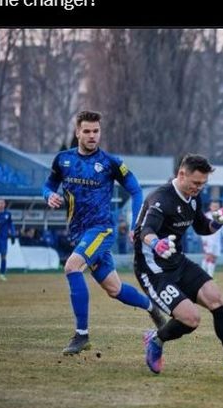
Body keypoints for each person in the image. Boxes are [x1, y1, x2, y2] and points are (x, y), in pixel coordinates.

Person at [43, 110, 165, 355]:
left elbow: (137, 191)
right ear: (77, 132)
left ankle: (81, 335)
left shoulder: (111, 163)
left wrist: (134, 226)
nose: (92, 136)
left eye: (96, 131)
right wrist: (49, 196)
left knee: (71, 267)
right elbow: (48, 185)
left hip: (101, 230)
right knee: (115, 290)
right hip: (78, 233)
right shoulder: (62, 160)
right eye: (86, 131)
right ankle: (152, 308)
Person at [134, 154, 223, 379]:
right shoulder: (160, 199)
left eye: (203, 184)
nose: (198, 188)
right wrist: (156, 243)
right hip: (153, 270)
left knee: (218, 300)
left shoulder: (194, 197)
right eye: (195, 183)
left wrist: (218, 223)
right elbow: (144, 231)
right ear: (181, 174)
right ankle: (156, 339)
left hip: (178, 262)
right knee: (191, 319)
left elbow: (203, 227)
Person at [200, 201, 223, 277]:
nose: (215, 208)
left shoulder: (221, 217)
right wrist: (204, 240)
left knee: (214, 258)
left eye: (217, 206)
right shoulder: (206, 216)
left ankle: (209, 275)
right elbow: (202, 228)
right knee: (208, 256)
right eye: (214, 206)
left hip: (217, 241)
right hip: (208, 239)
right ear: (210, 207)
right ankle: (205, 275)